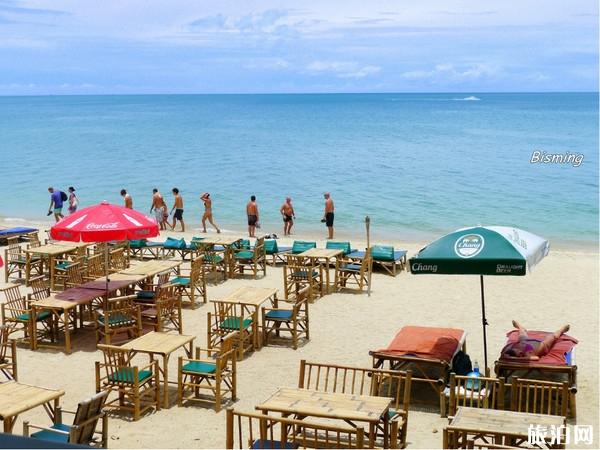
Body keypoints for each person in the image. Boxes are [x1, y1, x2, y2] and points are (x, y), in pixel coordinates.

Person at [502, 320, 570, 360]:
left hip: (525, 343)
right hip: (542, 346)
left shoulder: (517, 348)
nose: (520, 351)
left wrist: (520, 346)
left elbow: (504, 353)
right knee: (552, 337)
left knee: (522, 334)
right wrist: (521, 359)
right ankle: (561, 330)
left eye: (518, 350)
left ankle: (520, 327)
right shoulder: (526, 356)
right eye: (519, 353)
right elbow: (536, 358)